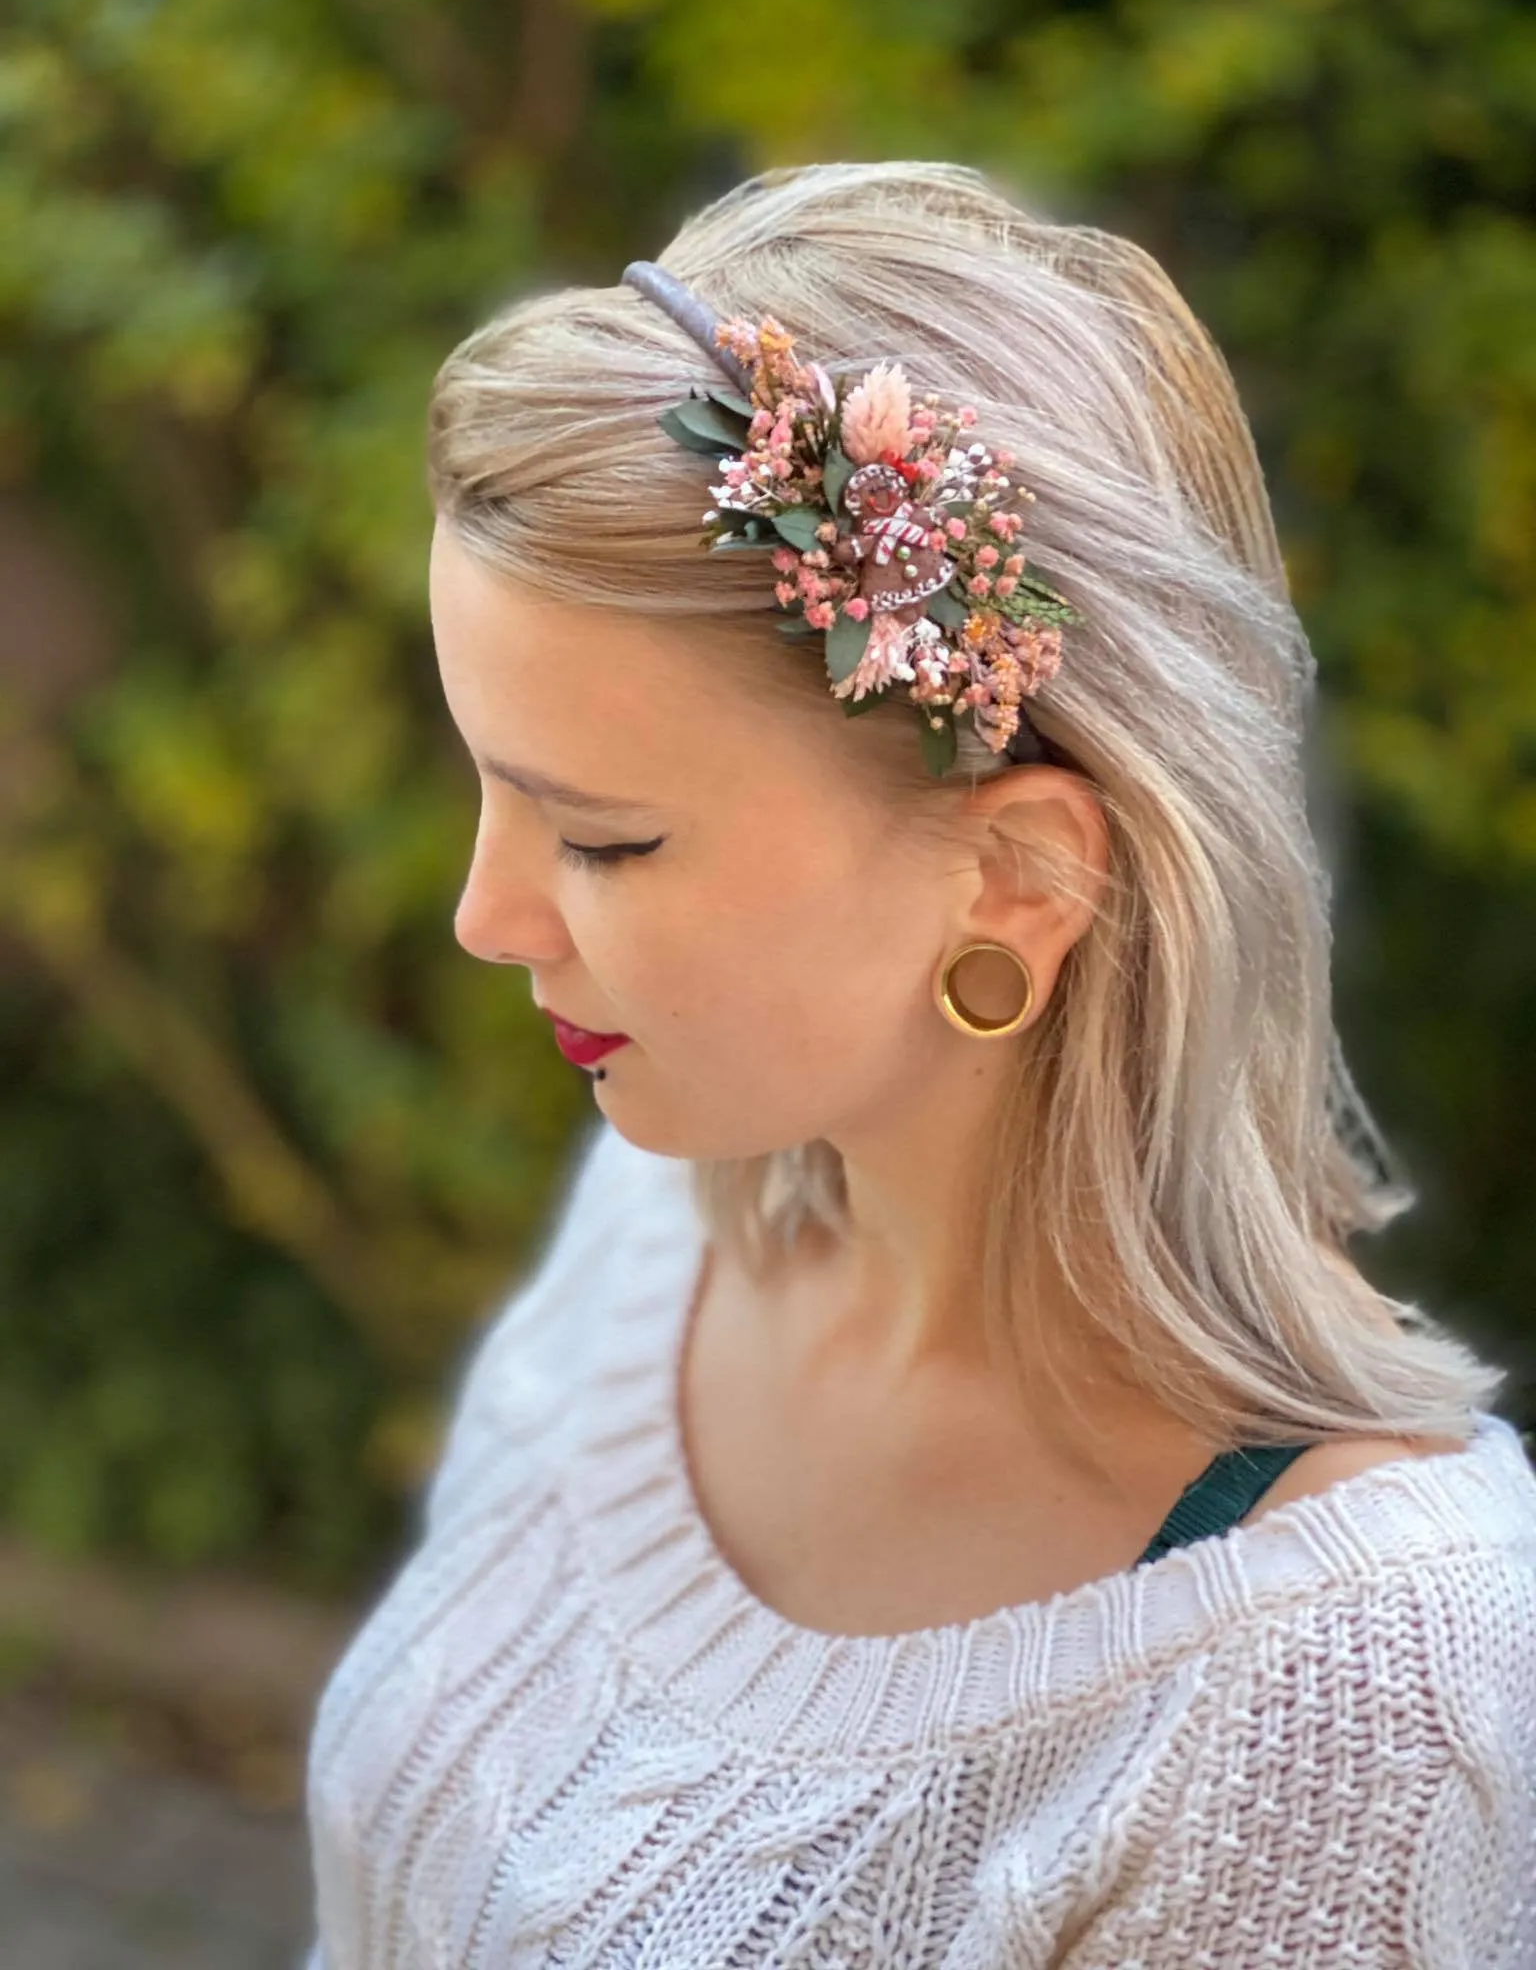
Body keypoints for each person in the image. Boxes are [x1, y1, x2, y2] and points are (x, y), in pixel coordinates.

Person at [300, 162, 1536, 1968]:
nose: (485, 917)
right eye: (490, 782)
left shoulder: (1353, 1692)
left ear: (1018, 875)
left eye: (607, 841)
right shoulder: (651, 1230)